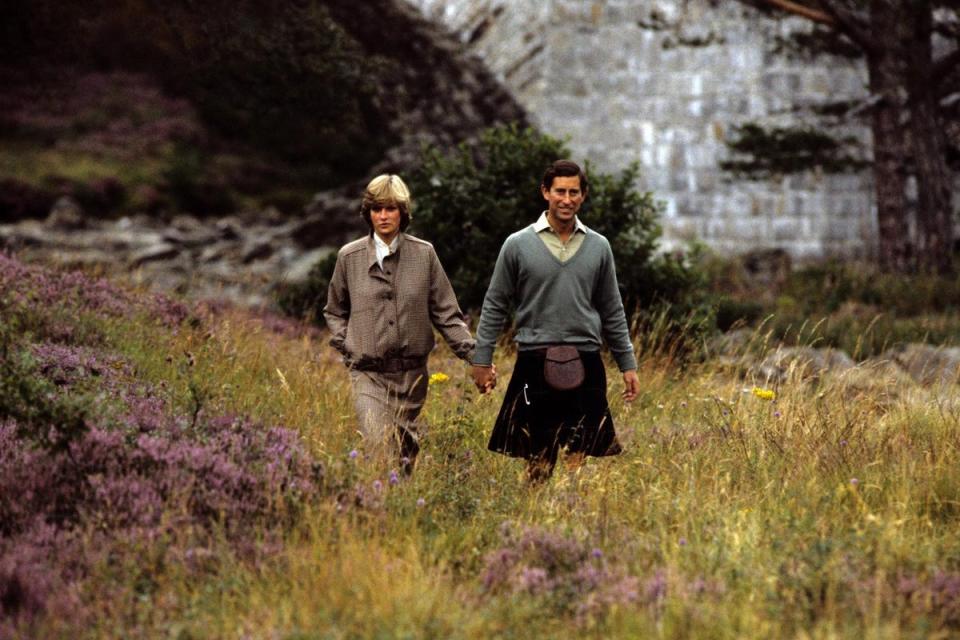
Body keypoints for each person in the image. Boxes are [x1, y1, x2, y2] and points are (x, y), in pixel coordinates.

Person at [471, 159, 640, 482]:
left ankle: (569, 508)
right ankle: (535, 514)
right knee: (538, 452)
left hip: (586, 359)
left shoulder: (598, 246)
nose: (567, 199)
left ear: (584, 195)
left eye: (574, 192)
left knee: (579, 450)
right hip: (534, 359)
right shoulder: (517, 245)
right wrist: (482, 359)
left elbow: (612, 309)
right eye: (559, 191)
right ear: (545, 192)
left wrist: (627, 364)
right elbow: (495, 304)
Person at [324, 174, 486, 474]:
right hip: (368, 374)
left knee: (403, 455)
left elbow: (447, 314)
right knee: (377, 444)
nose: (383, 216)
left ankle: (400, 509)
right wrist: (347, 344)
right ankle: (377, 512)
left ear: (403, 212)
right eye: (376, 209)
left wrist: (476, 355)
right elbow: (334, 311)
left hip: (412, 377)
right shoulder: (349, 257)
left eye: (390, 209)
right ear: (367, 213)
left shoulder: (424, 255)